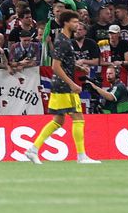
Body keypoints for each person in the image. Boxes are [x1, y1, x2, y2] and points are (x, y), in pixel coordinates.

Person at [24, 10, 100, 164]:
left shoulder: (66, 41)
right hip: (64, 86)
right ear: (66, 23)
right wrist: (72, 84)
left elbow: (64, 64)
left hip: (60, 85)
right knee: (78, 118)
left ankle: (33, 150)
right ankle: (81, 156)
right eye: (74, 22)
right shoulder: (62, 41)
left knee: (58, 120)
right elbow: (55, 66)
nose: (77, 25)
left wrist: (77, 67)